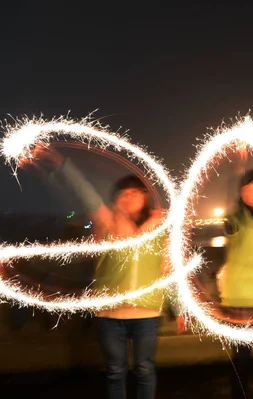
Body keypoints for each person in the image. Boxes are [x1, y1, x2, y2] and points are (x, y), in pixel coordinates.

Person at [28, 147, 169, 399]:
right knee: (115, 371)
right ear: (116, 198)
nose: (129, 198)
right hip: (110, 312)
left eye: (135, 193)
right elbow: (85, 192)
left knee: (145, 369)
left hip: (147, 311)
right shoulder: (107, 221)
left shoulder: (159, 229)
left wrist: (179, 308)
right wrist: (61, 162)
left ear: (145, 197)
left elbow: (169, 268)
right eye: (124, 194)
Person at [179, 169, 253, 399]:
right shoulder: (235, 220)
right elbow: (230, 226)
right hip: (241, 298)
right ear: (242, 192)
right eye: (250, 189)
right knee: (242, 359)